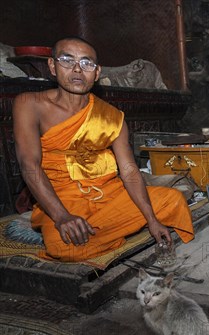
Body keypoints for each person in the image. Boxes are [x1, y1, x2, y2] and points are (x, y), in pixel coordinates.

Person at [12, 36, 194, 263]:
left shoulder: (112, 117)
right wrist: (61, 216)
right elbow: (29, 164)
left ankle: (103, 233)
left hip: (108, 194)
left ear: (96, 73)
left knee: (174, 201)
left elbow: (128, 170)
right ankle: (106, 232)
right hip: (62, 198)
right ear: (52, 66)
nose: (78, 70)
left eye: (87, 63)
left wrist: (151, 219)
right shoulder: (29, 104)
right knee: (64, 247)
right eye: (68, 60)